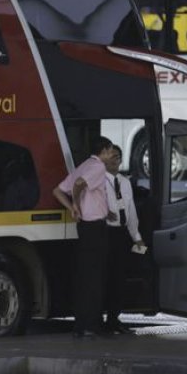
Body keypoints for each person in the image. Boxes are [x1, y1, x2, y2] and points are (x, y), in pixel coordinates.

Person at [53, 136, 116, 338]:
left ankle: (81, 324)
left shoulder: (85, 164)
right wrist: (76, 205)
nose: (112, 155)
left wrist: (73, 206)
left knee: (84, 276)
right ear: (104, 151)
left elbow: (58, 191)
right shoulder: (97, 168)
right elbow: (79, 184)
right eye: (111, 151)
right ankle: (92, 324)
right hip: (95, 228)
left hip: (85, 229)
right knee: (96, 277)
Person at [104, 144, 144, 331]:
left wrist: (136, 236)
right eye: (111, 156)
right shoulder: (100, 181)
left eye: (118, 156)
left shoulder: (125, 182)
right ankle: (99, 317)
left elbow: (131, 211)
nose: (115, 160)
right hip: (106, 233)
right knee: (105, 277)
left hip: (121, 234)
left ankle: (114, 318)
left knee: (120, 278)